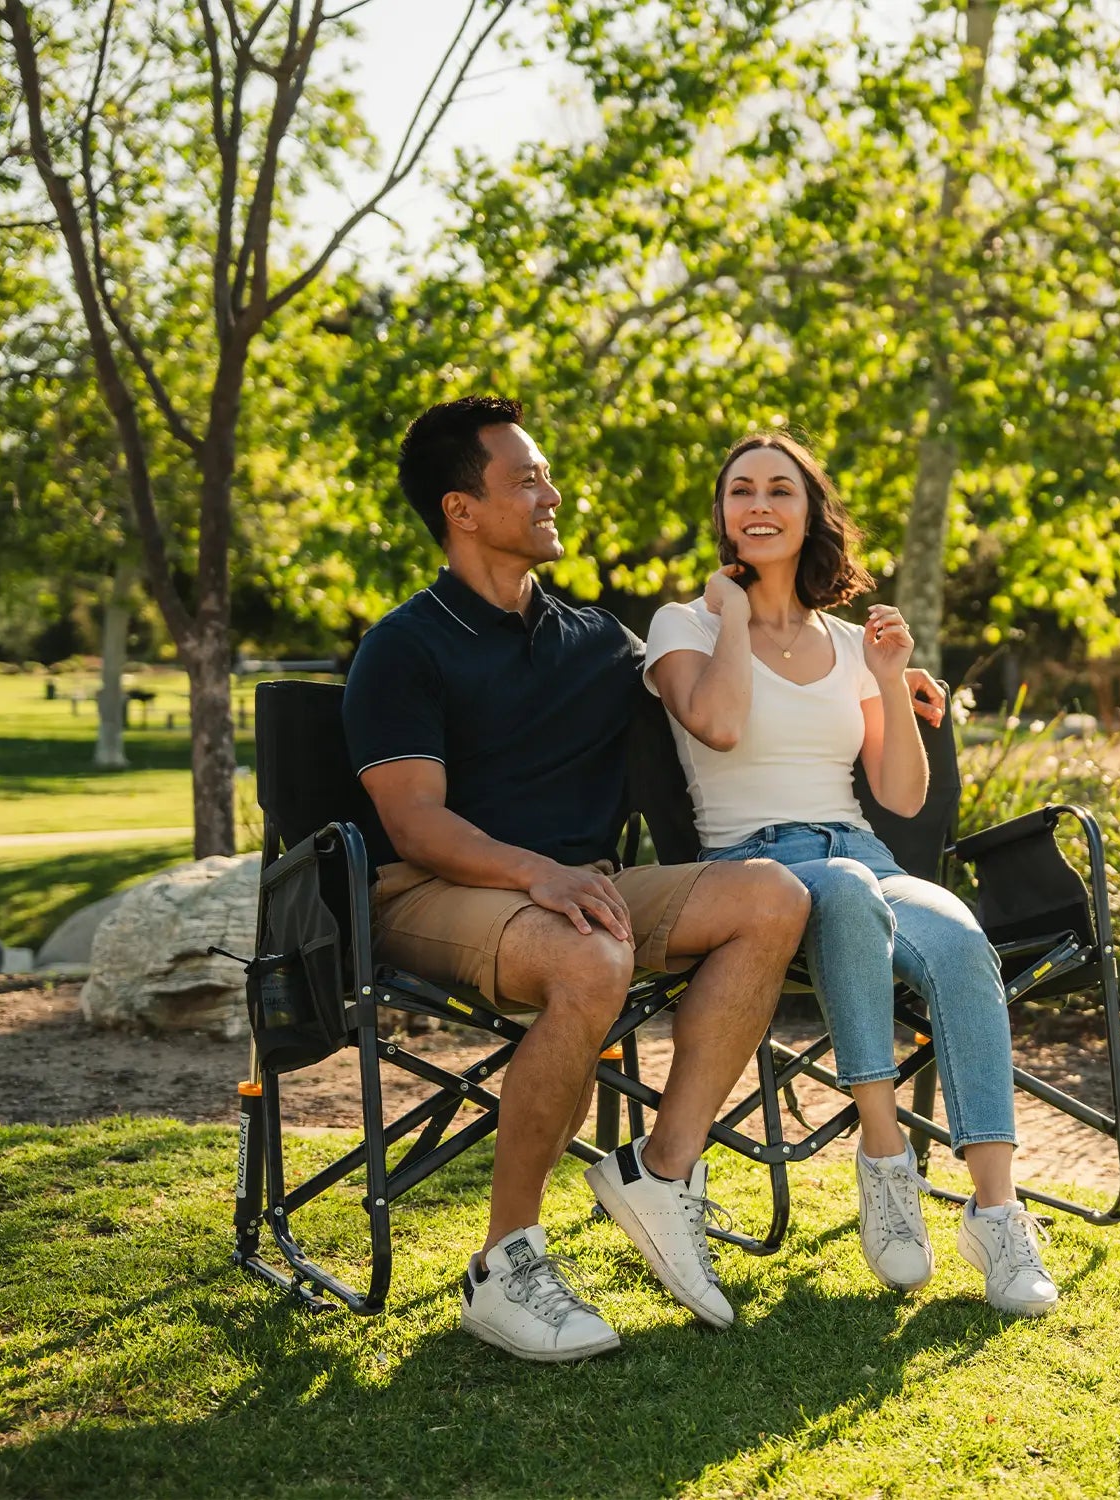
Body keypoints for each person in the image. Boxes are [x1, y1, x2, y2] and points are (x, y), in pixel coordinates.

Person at [342, 397, 810, 1363]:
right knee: (594, 961)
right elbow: (412, 821)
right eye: (525, 479)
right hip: (430, 892)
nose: (552, 493)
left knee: (773, 897)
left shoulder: (596, 640)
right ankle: (505, 1263)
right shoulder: (405, 644)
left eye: (545, 474)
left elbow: (716, 707)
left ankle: (662, 1172)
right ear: (460, 509)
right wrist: (536, 875)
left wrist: (873, 684)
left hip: (581, 891)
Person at [644, 432, 1057, 1317]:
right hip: (756, 871)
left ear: (809, 513)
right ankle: (885, 1164)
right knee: (845, 893)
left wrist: (888, 675)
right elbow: (715, 726)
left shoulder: (848, 640)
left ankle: (997, 1213)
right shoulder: (687, 624)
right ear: (722, 514)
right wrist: (731, 613)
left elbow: (900, 795)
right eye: (740, 490)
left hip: (858, 852)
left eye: (779, 491)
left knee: (957, 939)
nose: (758, 504)